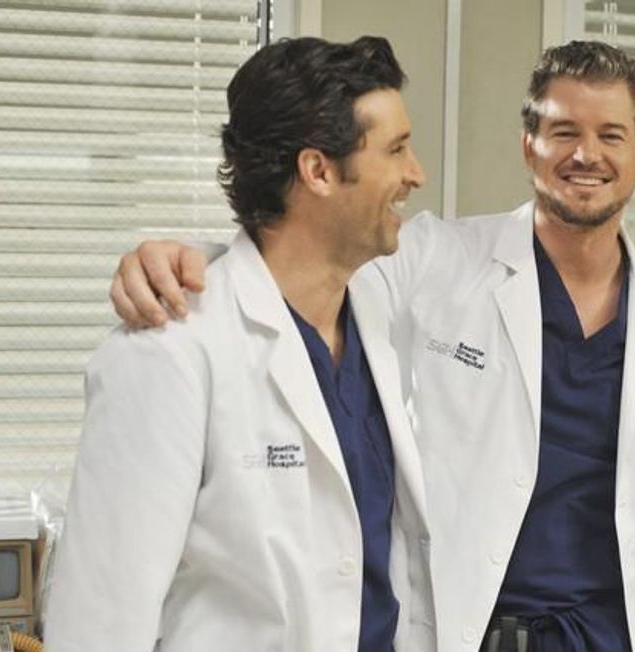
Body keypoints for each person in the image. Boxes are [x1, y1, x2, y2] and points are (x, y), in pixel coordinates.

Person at [110, 41, 635, 652]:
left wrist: (632, 553)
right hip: (467, 627)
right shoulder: (438, 259)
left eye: (611, 135)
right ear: (529, 145)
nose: (586, 155)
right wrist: (190, 261)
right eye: (563, 131)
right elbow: (305, 257)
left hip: (607, 632)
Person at [44, 36, 434, 651]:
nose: (416, 174)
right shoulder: (168, 352)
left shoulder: (375, 312)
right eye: (396, 150)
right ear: (318, 170)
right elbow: (100, 619)